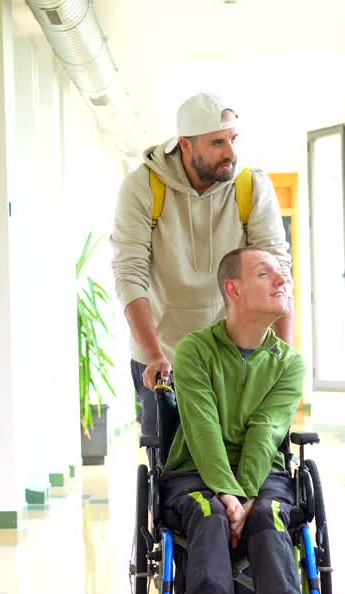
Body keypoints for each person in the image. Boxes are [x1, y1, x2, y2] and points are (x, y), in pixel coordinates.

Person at [158, 247, 323, 594]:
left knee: (269, 516)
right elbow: (202, 426)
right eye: (266, 273)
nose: (282, 281)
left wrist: (247, 495)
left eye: (284, 273)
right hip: (193, 470)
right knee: (208, 511)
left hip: (263, 475)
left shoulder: (288, 363)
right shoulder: (195, 351)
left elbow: (267, 429)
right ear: (233, 289)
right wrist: (229, 495)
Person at [110, 92, 293, 438]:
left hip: (236, 355)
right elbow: (129, 273)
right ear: (186, 145)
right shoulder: (143, 188)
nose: (231, 152)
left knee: (241, 454)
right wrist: (152, 354)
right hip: (162, 353)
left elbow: (278, 273)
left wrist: (284, 358)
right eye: (218, 142)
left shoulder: (251, 188)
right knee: (168, 462)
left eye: (234, 139)